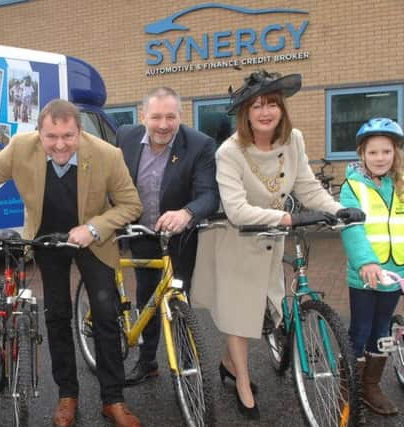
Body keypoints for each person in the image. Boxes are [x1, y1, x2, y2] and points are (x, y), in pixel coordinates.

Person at [0, 99, 143, 427]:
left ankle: (113, 399)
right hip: (47, 239)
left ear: (79, 132)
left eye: (68, 136)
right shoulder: (20, 148)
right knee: (57, 316)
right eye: (51, 136)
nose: (60, 144)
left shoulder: (108, 155)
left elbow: (130, 204)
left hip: (93, 241)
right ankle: (68, 394)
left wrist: (94, 228)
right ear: (39, 133)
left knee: (107, 314)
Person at [191, 69, 364, 420]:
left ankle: (228, 363)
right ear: (246, 113)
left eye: (272, 104)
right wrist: (284, 218)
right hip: (236, 242)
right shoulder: (230, 152)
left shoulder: (293, 141)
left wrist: (337, 209)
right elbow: (237, 210)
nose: (265, 111)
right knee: (240, 318)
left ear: (282, 109)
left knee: (262, 314)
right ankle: (242, 380)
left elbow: (307, 187)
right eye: (257, 105)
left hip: (270, 241)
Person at [116, 87, 219, 385]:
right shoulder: (126, 136)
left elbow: (209, 195)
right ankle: (147, 361)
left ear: (181, 116)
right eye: (156, 116)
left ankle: (186, 362)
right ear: (143, 115)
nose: (163, 124)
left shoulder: (200, 144)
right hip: (141, 233)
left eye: (170, 117)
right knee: (146, 296)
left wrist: (187, 213)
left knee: (178, 298)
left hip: (178, 238)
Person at [339, 117, 404, 416]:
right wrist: (365, 261)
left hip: (396, 274)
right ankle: (349, 384)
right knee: (361, 330)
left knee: (383, 330)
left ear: (395, 154)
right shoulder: (353, 186)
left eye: (386, 152)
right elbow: (352, 228)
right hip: (365, 275)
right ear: (362, 154)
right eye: (373, 152)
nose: (380, 158)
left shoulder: (401, 185)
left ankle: (372, 385)